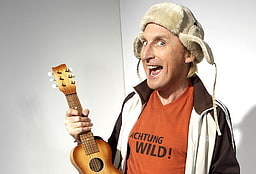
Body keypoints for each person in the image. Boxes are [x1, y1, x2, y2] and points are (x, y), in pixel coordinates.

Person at [65, 2, 240, 174]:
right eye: (144, 43)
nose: (145, 54)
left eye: (160, 43)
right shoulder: (133, 103)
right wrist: (81, 135)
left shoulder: (210, 115)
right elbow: (110, 161)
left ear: (189, 52)